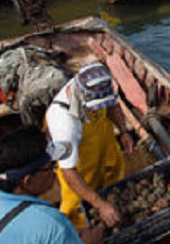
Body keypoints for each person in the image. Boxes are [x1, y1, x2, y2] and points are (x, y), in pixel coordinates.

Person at [45, 62, 128, 230]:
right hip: (80, 167)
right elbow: (69, 172)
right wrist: (99, 205)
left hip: (104, 147)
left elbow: (113, 105)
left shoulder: (100, 84)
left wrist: (124, 131)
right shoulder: (64, 123)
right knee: (77, 211)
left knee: (116, 184)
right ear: (82, 94)